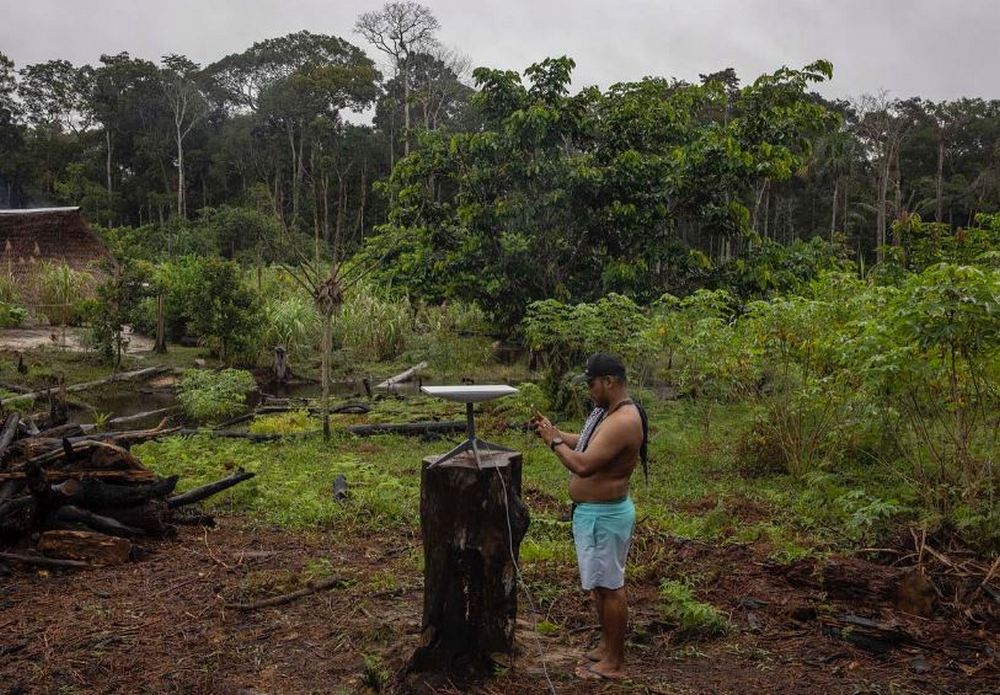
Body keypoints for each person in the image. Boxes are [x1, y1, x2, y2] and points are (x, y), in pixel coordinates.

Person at [531, 352, 647, 680]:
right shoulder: (607, 413)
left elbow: (582, 463)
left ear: (609, 382)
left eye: (592, 383)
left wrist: (554, 442)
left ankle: (615, 662)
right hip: (595, 515)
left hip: (605, 517)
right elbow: (584, 444)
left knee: (611, 588)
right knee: (600, 586)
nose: (590, 390)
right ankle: (606, 647)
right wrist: (552, 432)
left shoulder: (623, 420)